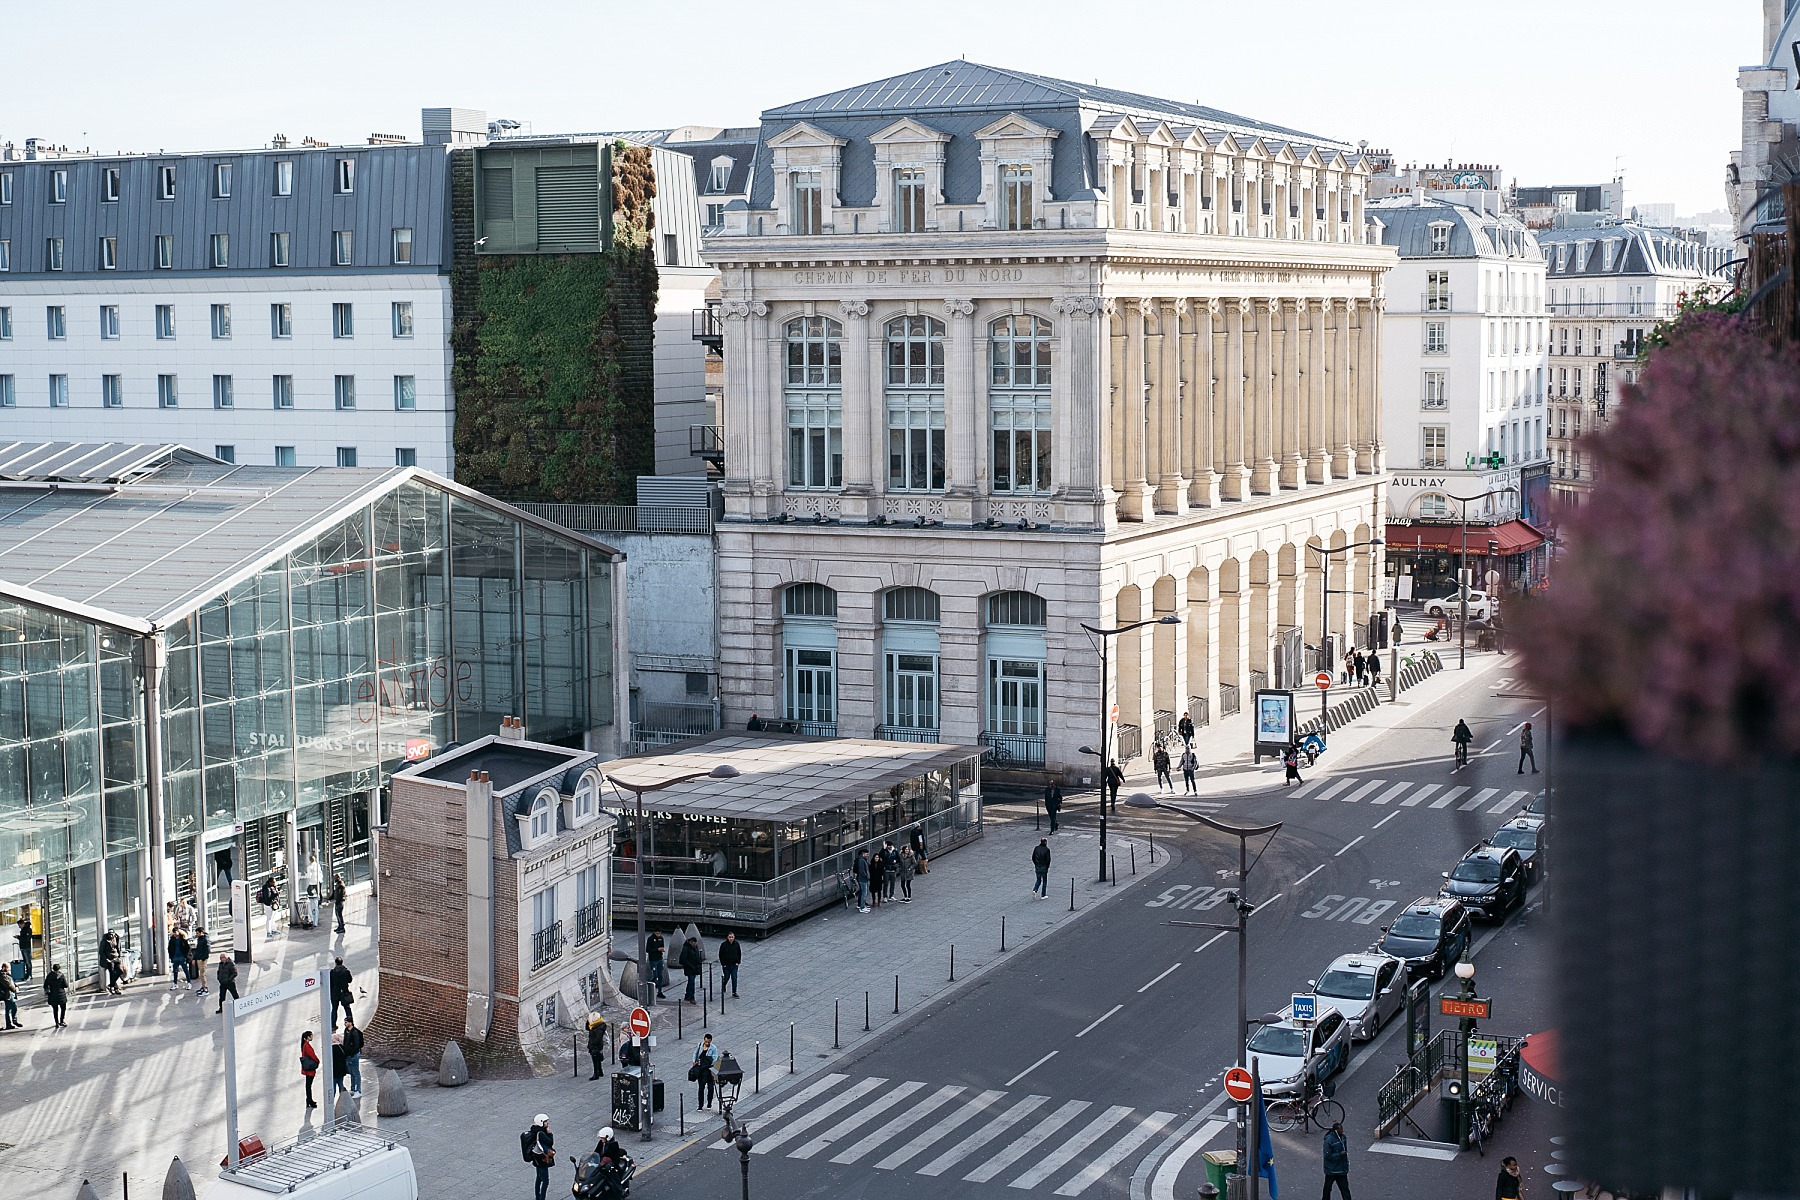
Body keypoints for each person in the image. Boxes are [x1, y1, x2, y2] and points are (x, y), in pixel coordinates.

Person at [524, 1114, 555, 1200]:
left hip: (536, 1158)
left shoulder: (534, 1130)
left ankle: (538, 1196)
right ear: (541, 1122)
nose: (547, 1123)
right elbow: (550, 1142)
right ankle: (542, 1198)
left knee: (538, 1178)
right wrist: (550, 1134)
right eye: (545, 1121)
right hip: (542, 1159)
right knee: (545, 1181)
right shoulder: (541, 1133)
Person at [1321, 1120, 1351, 1199]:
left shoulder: (1343, 1138)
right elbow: (1327, 1156)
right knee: (1328, 1188)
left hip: (1340, 1169)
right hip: (1332, 1170)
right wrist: (1340, 1154)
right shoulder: (1329, 1140)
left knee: (1344, 1189)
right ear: (1336, 1130)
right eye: (1340, 1129)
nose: (1342, 1130)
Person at [691, 1032, 719, 1109]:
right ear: (704, 1040)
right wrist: (694, 1061)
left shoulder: (713, 1048)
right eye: (706, 1041)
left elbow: (715, 1059)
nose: (707, 1043)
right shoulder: (700, 1045)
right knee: (701, 1088)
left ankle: (709, 1103)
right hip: (701, 1070)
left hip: (709, 1070)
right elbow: (695, 1054)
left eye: (708, 1042)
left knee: (710, 1087)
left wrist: (704, 1063)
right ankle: (700, 1105)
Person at [342, 1016, 364, 1095]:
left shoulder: (355, 1032)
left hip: (354, 1055)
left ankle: (358, 1090)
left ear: (350, 1022)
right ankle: (353, 1088)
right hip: (349, 1055)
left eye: (346, 1022)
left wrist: (351, 1054)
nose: (344, 1024)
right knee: (352, 1072)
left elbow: (357, 1045)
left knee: (356, 1072)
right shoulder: (346, 1031)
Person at [330, 956, 355, 1028]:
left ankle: (333, 1025)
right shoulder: (346, 971)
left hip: (335, 993)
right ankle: (351, 1023)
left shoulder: (332, 972)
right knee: (347, 1009)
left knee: (334, 1009)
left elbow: (330, 983)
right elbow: (350, 980)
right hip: (344, 993)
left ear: (335, 963)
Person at [679, 934, 703, 1004]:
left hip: (694, 968)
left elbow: (697, 957)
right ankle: (691, 997)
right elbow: (683, 960)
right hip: (689, 968)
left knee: (691, 982)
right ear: (690, 942)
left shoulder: (695, 947)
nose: (695, 944)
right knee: (691, 982)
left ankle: (687, 995)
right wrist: (691, 966)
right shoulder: (686, 948)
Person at [299, 1031, 320, 1108]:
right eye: (311, 1036)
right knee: (309, 1085)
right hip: (310, 1069)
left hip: (307, 1068)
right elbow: (312, 1055)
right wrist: (318, 1061)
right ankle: (310, 1100)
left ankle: (309, 1100)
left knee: (308, 1085)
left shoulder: (304, 1045)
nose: (312, 1037)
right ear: (308, 1037)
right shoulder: (307, 1046)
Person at [44, 962, 69, 1027]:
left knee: (55, 1010)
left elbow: (45, 985)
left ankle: (56, 1023)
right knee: (63, 1008)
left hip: (52, 995)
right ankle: (62, 1021)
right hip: (61, 995)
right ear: (59, 968)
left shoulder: (49, 975)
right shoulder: (61, 975)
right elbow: (66, 985)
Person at [99, 929, 123, 995]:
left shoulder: (117, 938)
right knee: (112, 973)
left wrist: (119, 956)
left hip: (116, 958)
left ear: (114, 934)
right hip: (109, 959)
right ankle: (115, 988)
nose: (111, 935)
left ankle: (111, 985)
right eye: (109, 934)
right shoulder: (104, 941)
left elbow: (119, 948)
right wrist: (107, 959)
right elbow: (101, 952)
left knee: (120, 971)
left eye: (112, 934)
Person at [717, 932, 741, 998]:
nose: (731, 938)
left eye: (732, 937)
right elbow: (721, 954)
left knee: (734, 977)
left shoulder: (736, 944)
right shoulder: (724, 945)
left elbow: (739, 953)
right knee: (726, 977)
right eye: (730, 937)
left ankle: (734, 992)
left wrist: (738, 962)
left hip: (734, 964)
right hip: (726, 965)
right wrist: (723, 963)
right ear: (727, 937)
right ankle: (724, 985)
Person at [646, 929, 668, 1000]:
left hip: (659, 958)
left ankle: (660, 991)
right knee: (654, 975)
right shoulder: (650, 939)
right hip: (653, 959)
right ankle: (648, 988)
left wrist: (661, 949)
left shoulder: (661, 938)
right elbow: (648, 950)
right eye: (657, 933)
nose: (659, 935)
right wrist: (657, 949)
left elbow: (662, 946)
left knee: (660, 975)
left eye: (660, 933)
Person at [257, 873, 281, 939]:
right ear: (270, 882)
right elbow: (268, 898)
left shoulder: (272, 887)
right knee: (269, 919)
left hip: (272, 905)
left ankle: (273, 930)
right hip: (268, 905)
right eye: (274, 882)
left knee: (272, 918)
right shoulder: (267, 889)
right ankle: (268, 931)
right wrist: (276, 895)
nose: (275, 883)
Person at [586, 1013, 608, 1080]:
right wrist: (588, 1022)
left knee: (595, 1060)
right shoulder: (595, 1025)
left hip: (595, 1046)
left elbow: (597, 1039)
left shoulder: (598, 1028)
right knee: (597, 1059)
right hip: (596, 1046)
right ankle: (600, 1072)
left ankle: (596, 1074)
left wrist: (593, 1045)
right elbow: (587, 1028)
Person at [168, 926, 190, 991]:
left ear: (178, 932)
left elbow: (187, 947)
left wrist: (186, 956)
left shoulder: (183, 938)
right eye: (173, 932)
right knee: (175, 971)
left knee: (185, 970)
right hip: (175, 957)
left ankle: (189, 983)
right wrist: (171, 957)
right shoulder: (172, 939)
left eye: (175, 932)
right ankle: (175, 983)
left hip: (182, 956)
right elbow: (170, 948)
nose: (174, 934)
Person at [1, 958, 20, 1028]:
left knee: (8, 1009)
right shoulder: (2, 975)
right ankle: (13, 1021)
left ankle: (9, 1023)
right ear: (4, 968)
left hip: (11, 994)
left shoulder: (7, 974)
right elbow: (8, 984)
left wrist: (16, 986)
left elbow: (13, 982)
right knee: (13, 1007)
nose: (9, 969)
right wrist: (15, 989)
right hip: (8, 994)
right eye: (8, 968)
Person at [191, 929, 210, 995]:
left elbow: (207, 950)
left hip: (202, 959)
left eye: (198, 933)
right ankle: (203, 987)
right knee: (201, 974)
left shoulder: (205, 940)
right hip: (199, 958)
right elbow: (197, 950)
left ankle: (205, 989)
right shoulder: (199, 939)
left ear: (201, 932)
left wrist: (203, 958)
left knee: (202, 974)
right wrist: (194, 958)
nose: (197, 934)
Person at [15, 912, 33, 979]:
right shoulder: (23, 930)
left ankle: (29, 974)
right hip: (23, 947)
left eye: (19, 925)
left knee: (28, 962)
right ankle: (27, 974)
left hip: (26, 947)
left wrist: (19, 937)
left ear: (22, 924)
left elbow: (27, 938)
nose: (19, 927)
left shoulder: (28, 930)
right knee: (26, 961)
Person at [331, 1032, 349, 1096]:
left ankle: (331, 1102)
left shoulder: (331, 1049)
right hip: (342, 1070)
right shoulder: (341, 1047)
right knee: (341, 1084)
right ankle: (342, 1098)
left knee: (333, 1087)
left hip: (334, 1070)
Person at [854, 848, 871, 913]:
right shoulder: (862, 860)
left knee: (862, 892)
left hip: (861, 878)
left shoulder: (862, 859)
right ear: (863, 854)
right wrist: (867, 876)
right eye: (866, 854)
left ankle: (861, 905)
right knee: (864, 892)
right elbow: (862, 871)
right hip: (862, 879)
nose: (867, 855)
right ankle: (862, 907)